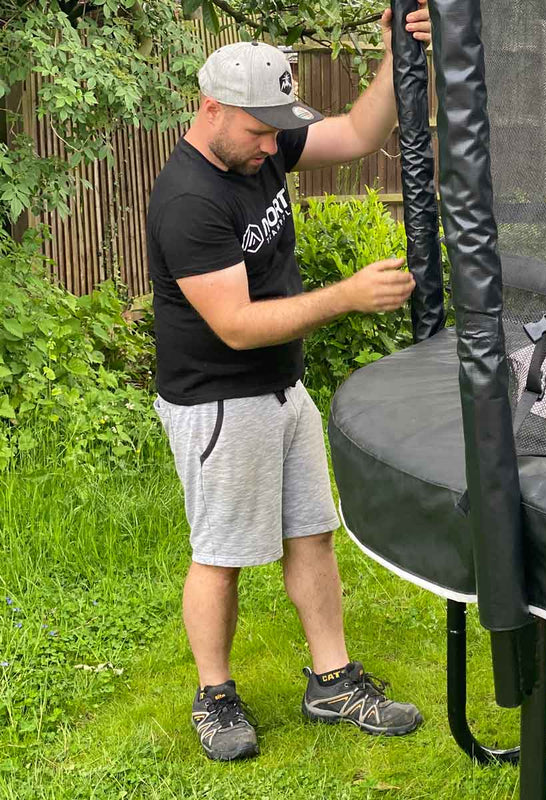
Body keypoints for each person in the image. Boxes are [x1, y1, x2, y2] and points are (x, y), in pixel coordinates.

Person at [146, 3, 431, 762]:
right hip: (217, 397)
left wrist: (391, 55)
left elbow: (358, 133)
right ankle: (215, 696)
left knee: (311, 533)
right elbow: (235, 324)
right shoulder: (187, 200)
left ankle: (332, 681)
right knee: (222, 551)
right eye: (259, 130)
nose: (274, 146)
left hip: (282, 387)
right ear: (212, 109)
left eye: (278, 130)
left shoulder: (259, 144)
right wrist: (343, 297)